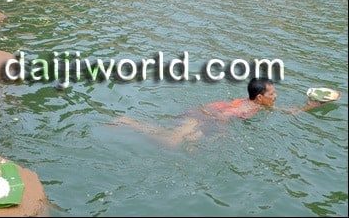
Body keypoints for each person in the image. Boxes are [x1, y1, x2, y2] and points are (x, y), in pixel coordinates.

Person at [114, 78, 333, 147]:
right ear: (260, 97)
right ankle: (127, 122)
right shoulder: (249, 108)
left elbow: (287, 111)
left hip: (203, 113)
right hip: (202, 116)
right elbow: (221, 116)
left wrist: (309, 106)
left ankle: (127, 126)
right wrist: (222, 133)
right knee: (172, 141)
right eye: (272, 94)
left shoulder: (256, 105)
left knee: (187, 144)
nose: (275, 96)